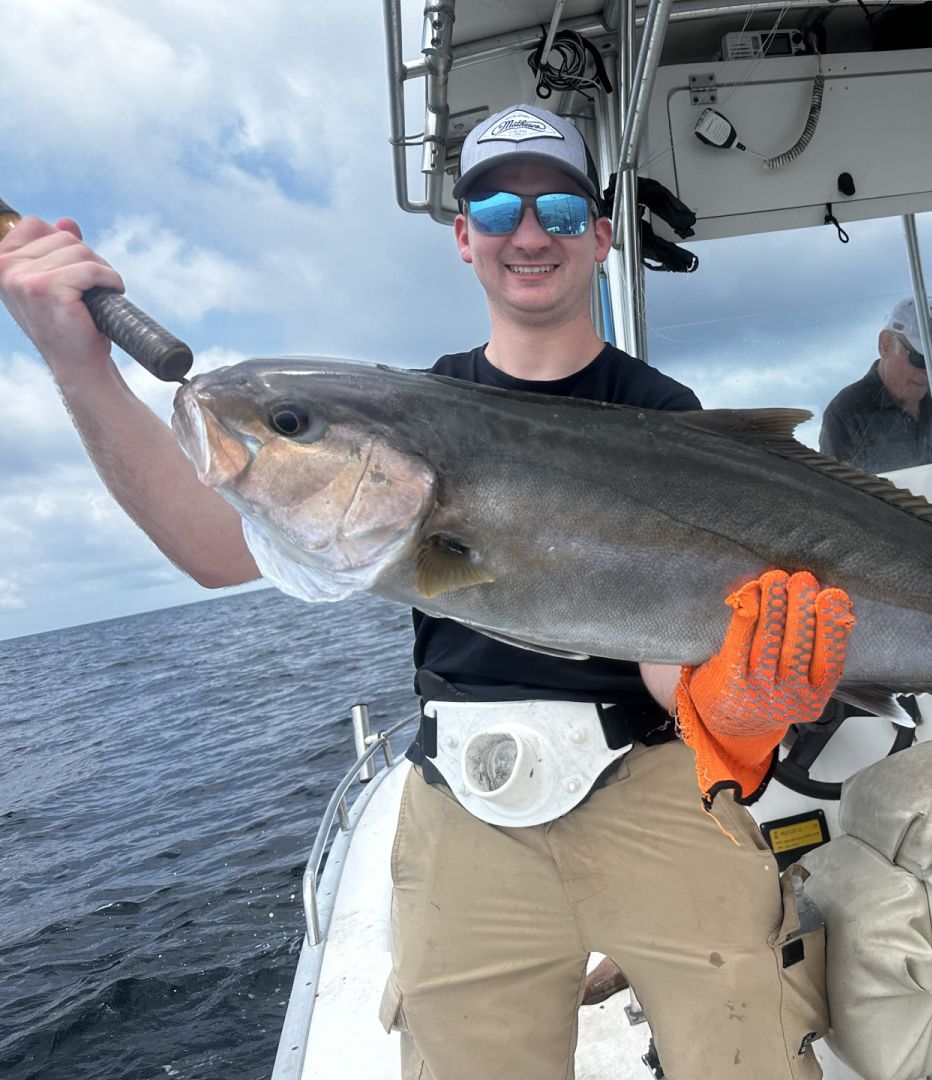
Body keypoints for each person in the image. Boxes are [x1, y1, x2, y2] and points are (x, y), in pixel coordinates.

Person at [0, 103, 845, 1077]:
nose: (528, 233)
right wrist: (82, 368)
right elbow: (213, 548)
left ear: (601, 235)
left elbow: (665, 642)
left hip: (653, 781)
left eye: (558, 210)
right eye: (496, 208)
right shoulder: (414, 407)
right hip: (464, 806)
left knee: (750, 1053)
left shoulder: (661, 414)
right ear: (463, 237)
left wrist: (734, 705)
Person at [819, 295, 932, 473]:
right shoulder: (844, 414)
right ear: (885, 345)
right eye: (920, 358)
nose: (929, 371)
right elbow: (834, 487)